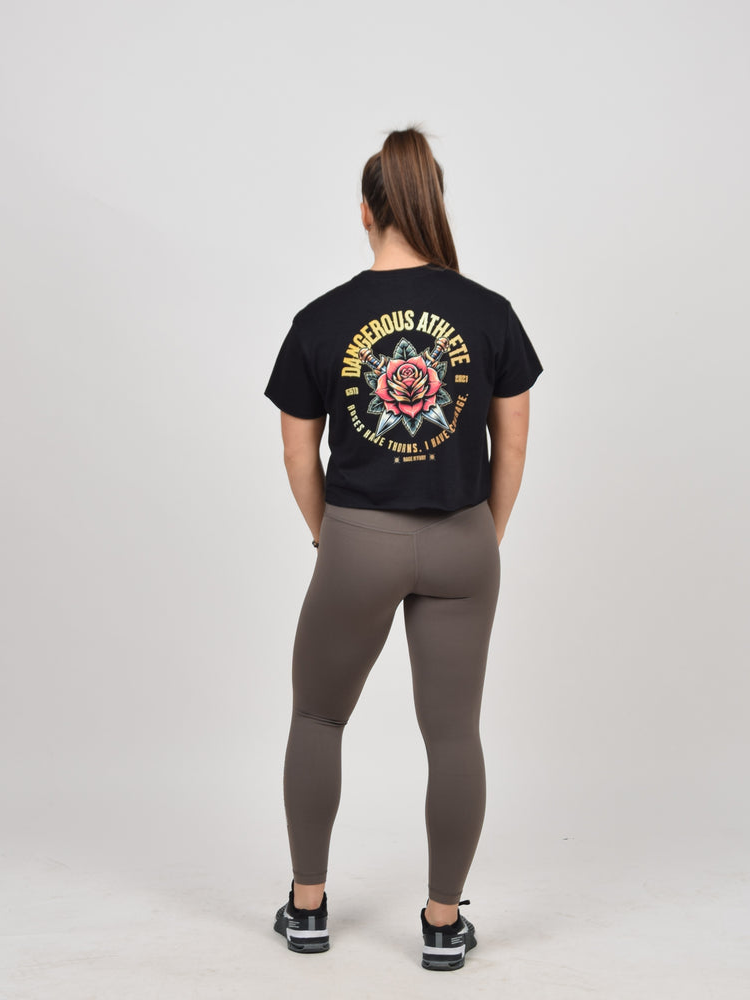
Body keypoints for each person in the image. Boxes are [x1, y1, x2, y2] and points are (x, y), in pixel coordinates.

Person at [264, 126, 542, 971]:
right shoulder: (490, 314)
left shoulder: (321, 320)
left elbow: (297, 454)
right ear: (433, 203)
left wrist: (331, 536)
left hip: (358, 539)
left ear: (366, 212)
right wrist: (482, 537)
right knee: (454, 734)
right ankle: (443, 924)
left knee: (318, 715)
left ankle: (307, 909)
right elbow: (513, 446)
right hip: (464, 540)